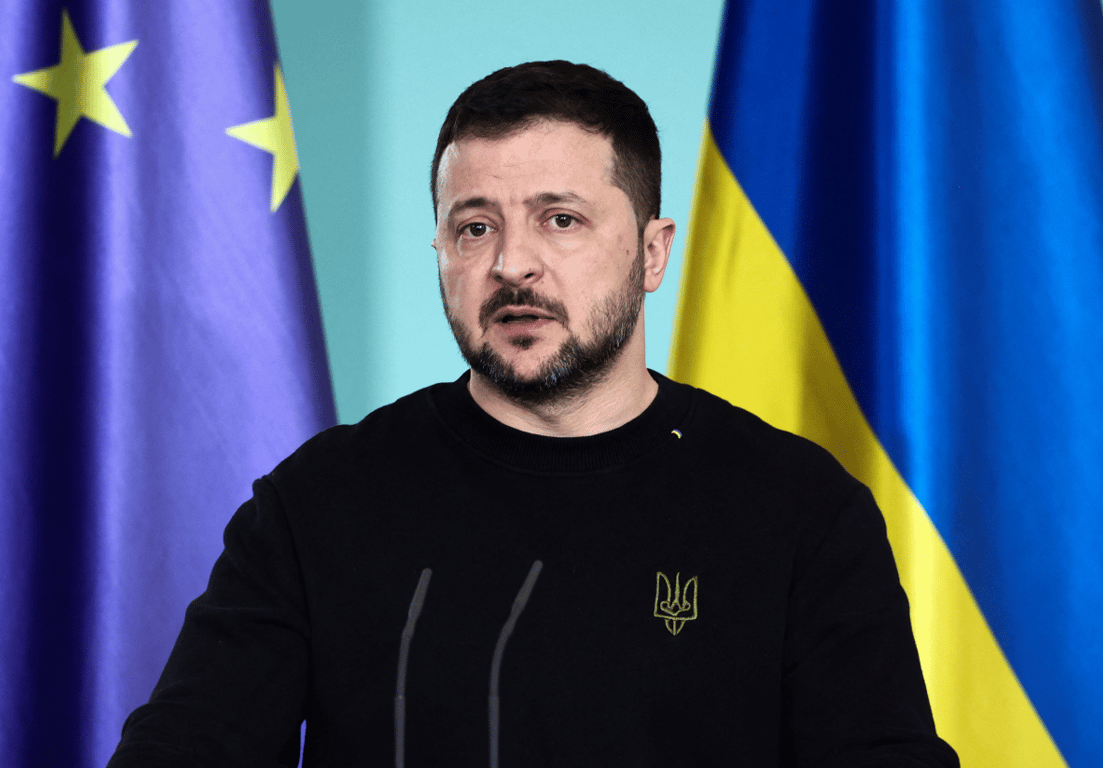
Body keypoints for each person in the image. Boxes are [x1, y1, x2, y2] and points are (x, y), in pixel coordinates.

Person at [108, 60, 958, 768]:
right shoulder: (319, 503)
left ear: (652, 252)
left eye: (560, 220)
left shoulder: (800, 511)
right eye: (474, 228)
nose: (513, 263)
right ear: (441, 251)